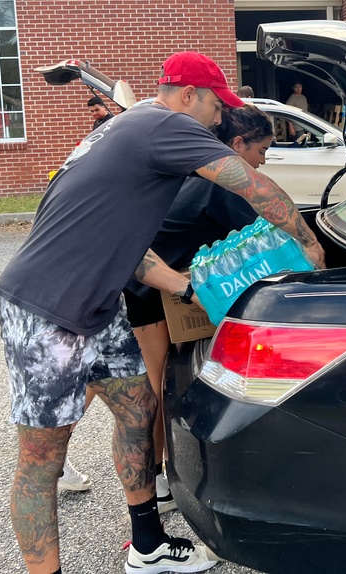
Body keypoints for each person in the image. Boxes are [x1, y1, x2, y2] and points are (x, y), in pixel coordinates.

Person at [0, 51, 325, 574]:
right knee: (42, 457)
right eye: (218, 106)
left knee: (136, 411)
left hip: (97, 304)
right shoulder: (165, 124)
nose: (221, 119)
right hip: (47, 307)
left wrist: (183, 285)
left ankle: (148, 544)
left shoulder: (134, 125)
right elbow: (254, 187)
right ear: (189, 96)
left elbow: (116, 236)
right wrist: (308, 246)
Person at [126, 104, 274, 514]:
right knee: (155, 391)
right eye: (261, 151)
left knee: (146, 387)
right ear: (238, 144)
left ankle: (153, 478)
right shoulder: (221, 184)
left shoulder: (199, 174)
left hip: (144, 281)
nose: (262, 162)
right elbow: (265, 231)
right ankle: (155, 483)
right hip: (142, 289)